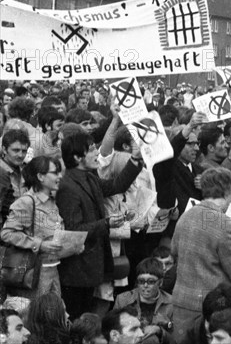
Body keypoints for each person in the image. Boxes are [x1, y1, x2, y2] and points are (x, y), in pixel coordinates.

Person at [57, 132, 143, 319]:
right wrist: (106, 223)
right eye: (92, 149)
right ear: (77, 157)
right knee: (76, 319)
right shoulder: (67, 187)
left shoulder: (89, 178)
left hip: (90, 268)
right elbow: (74, 230)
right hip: (76, 270)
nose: (97, 153)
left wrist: (135, 159)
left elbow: (116, 185)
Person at [171, 168, 231, 342]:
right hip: (212, 308)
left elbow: (174, 253)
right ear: (227, 192)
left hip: (181, 302)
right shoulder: (224, 224)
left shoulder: (186, 216)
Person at [1, 156, 68, 299]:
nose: (60, 176)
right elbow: (7, 233)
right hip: (31, 274)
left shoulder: (52, 202)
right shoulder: (26, 202)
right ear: (40, 176)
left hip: (53, 270)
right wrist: (39, 244)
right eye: (55, 172)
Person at [113, 258, 174, 344]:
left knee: (151, 339)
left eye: (151, 281)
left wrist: (159, 331)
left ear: (160, 282)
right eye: (141, 281)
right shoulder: (123, 299)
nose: (145, 285)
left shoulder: (171, 303)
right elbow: (113, 330)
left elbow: (176, 336)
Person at [0, 129, 29, 224]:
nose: (20, 155)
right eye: (16, 150)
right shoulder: (1, 173)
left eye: (24, 151)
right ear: (4, 149)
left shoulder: (25, 169)